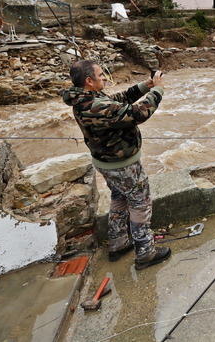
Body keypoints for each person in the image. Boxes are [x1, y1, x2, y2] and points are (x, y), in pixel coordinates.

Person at [62, 59, 171, 270]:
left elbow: (117, 100)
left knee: (119, 197)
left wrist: (145, 86)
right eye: (100, 74)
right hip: (123, 165)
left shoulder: (84, 98)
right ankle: (145, 253)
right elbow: (138, 113)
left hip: (106, 163)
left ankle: (118, 243)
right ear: (88, 81)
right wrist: (158, 91)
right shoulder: (95, 106)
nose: (104, 77)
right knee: (140, 202)